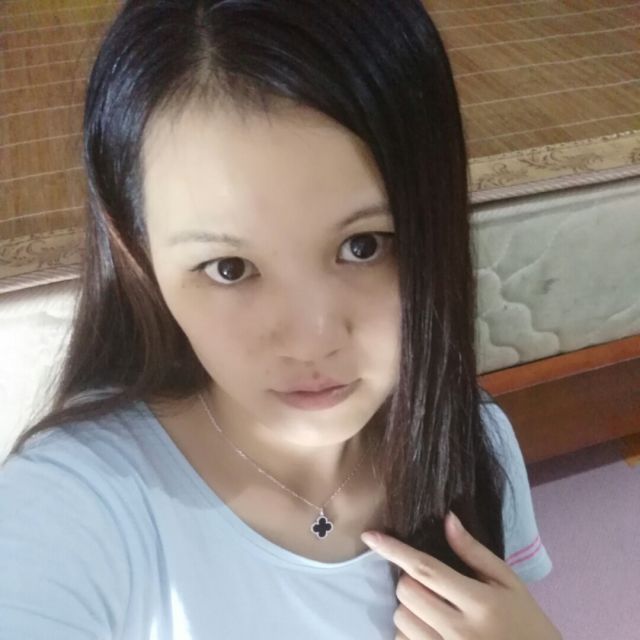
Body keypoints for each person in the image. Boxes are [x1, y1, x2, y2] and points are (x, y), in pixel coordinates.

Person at [0, 1, 561, 638]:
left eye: (364, 246)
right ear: (137, 251)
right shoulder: (78, 506)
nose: (311, 340)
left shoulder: (476, 442)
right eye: (229, 268)